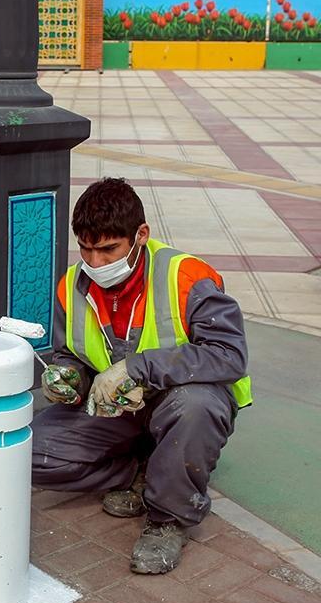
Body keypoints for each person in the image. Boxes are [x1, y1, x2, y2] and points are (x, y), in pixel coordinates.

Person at [31, 178, 251, 575]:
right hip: (117, 412)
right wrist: (69, 377)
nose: (95, 262)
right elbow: (72, 354)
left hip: (177, 404)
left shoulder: (187, 277)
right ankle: (142, 471)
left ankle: (169, 518)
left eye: (108, 249)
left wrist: (136, 367)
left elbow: (229, 355)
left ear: (141, 235)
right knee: (27, 451)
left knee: (195, 405)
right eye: (86, 248)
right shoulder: (72, 285)